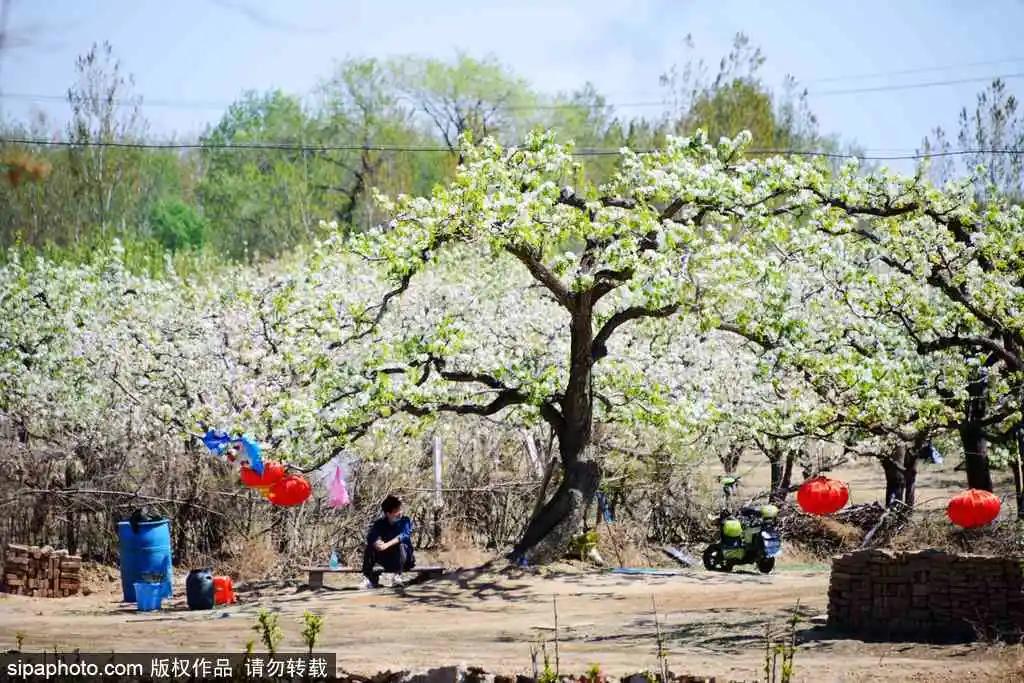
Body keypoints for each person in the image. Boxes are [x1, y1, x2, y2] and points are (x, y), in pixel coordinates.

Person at [361, 495, 415, 588]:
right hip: (387, 558)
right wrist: (376, 542)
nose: (399, 513)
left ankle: (397, 576)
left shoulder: (405, 521)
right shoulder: (380, 523)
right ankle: (369, 578)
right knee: (370, 547)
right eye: (396, 511)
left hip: (404, 559)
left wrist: (386, 545)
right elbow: (371, 536)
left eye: (400, 509)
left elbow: (404, 535)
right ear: (388, 513)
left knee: (400, 545)